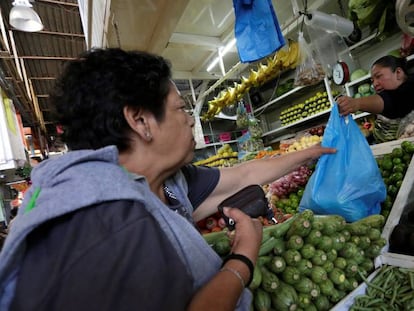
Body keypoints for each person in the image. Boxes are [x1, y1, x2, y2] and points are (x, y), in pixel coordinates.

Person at [0, 48, 336, 311]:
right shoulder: (102, 225)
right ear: (141, 121)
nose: (190, 121)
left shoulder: (168, 183)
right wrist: (242, 260)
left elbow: (244, 175)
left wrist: (310, 152)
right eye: (180, 108)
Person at [337, 55, 414, 140]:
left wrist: (357, 103)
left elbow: (392, 102)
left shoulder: (410, 88)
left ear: (398, 73)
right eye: (372, 80)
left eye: (378, 76)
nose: (375, 84)